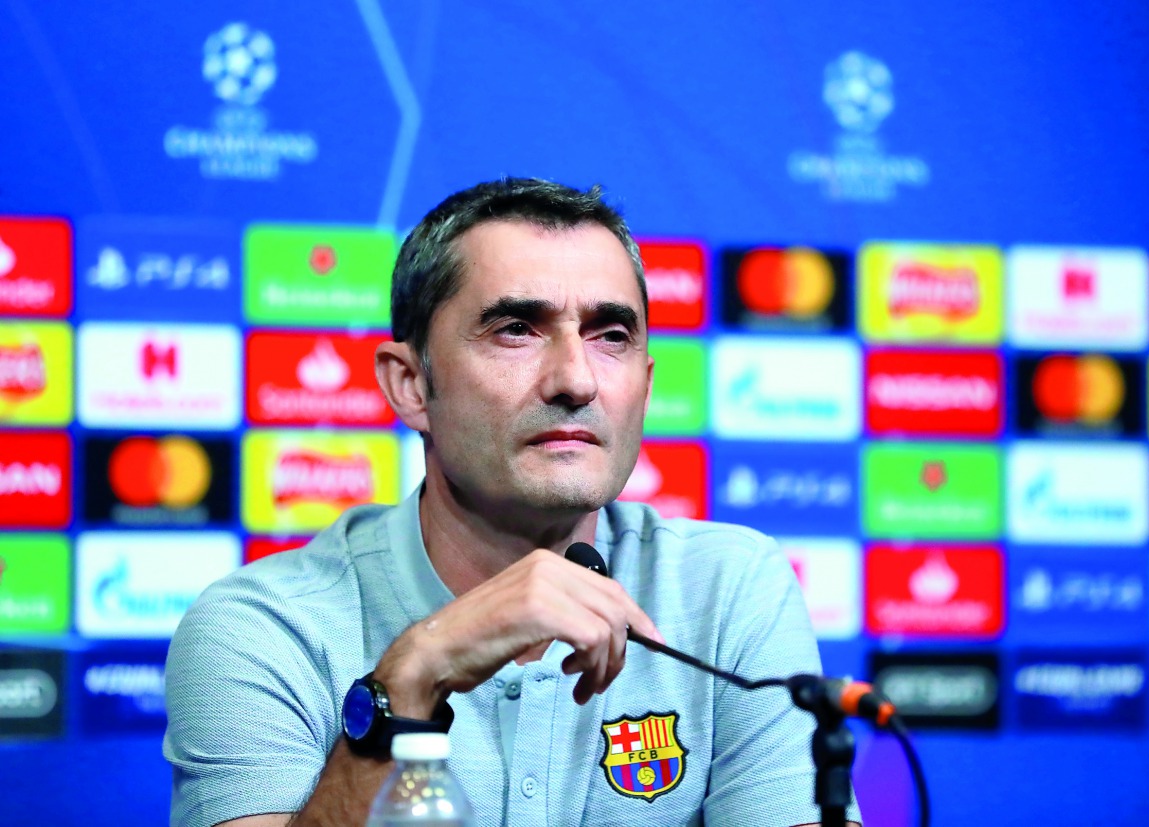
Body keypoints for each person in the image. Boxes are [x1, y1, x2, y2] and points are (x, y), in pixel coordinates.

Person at [164, 178, 861, 827]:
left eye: (610, 335)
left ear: (644, 386)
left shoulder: (727, 590)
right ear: (410, 384)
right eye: (516, 330)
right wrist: (413, 676)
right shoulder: (264, 626)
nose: (576, 379)